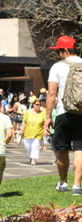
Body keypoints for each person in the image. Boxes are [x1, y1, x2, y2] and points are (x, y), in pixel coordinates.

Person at [44, 36, 82, 195]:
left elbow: (51, 94)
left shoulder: (57, 67)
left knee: (61, 149)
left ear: (65, 50)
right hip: (81, 112)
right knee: (80, 148)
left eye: (59, 51)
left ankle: (63, 182)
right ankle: (77, 185)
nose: (58, 54)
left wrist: (47, 117)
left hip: (63, 112)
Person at [21, 99, 46, 165]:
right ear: (33, 105)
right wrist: (22, 130)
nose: (38, 106)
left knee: (35, 146)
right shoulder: (27, 112)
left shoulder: (42, 113)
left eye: (39, 105)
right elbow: (24, 122)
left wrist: (45, 130)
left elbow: (44, 123)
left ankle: (33, 160)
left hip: (38, 133)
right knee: (28, 147)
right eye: (37, 104)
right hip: (28, 133)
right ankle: (31, 157)